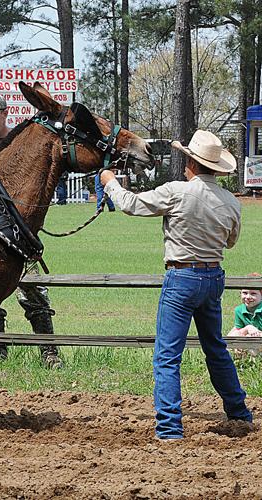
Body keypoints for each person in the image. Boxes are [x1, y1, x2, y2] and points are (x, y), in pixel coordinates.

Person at [101, 129, 253, 440]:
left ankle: (170, 428)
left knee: (168, 356)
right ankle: (238, 412)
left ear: (192, 164)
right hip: (213, 277)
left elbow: (131, 204)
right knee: (216, 350)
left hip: (182, 277)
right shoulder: (231, 202)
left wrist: (109, 183)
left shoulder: (177, 191)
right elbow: (231, 241)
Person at [0, 94, 63, 369]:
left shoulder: (21, 142)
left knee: (34, 292)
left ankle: (48, 352)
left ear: (5, 113)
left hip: (19, 233)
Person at [226, 274, 262, 358]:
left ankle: (254, 362)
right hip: (252, 338)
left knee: (250, 339)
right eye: (244, 293)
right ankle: (238, 360)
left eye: (253, 293)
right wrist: (248, 328)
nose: (248, 297)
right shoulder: (239, 310)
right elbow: (238, 330)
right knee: (233, 336)